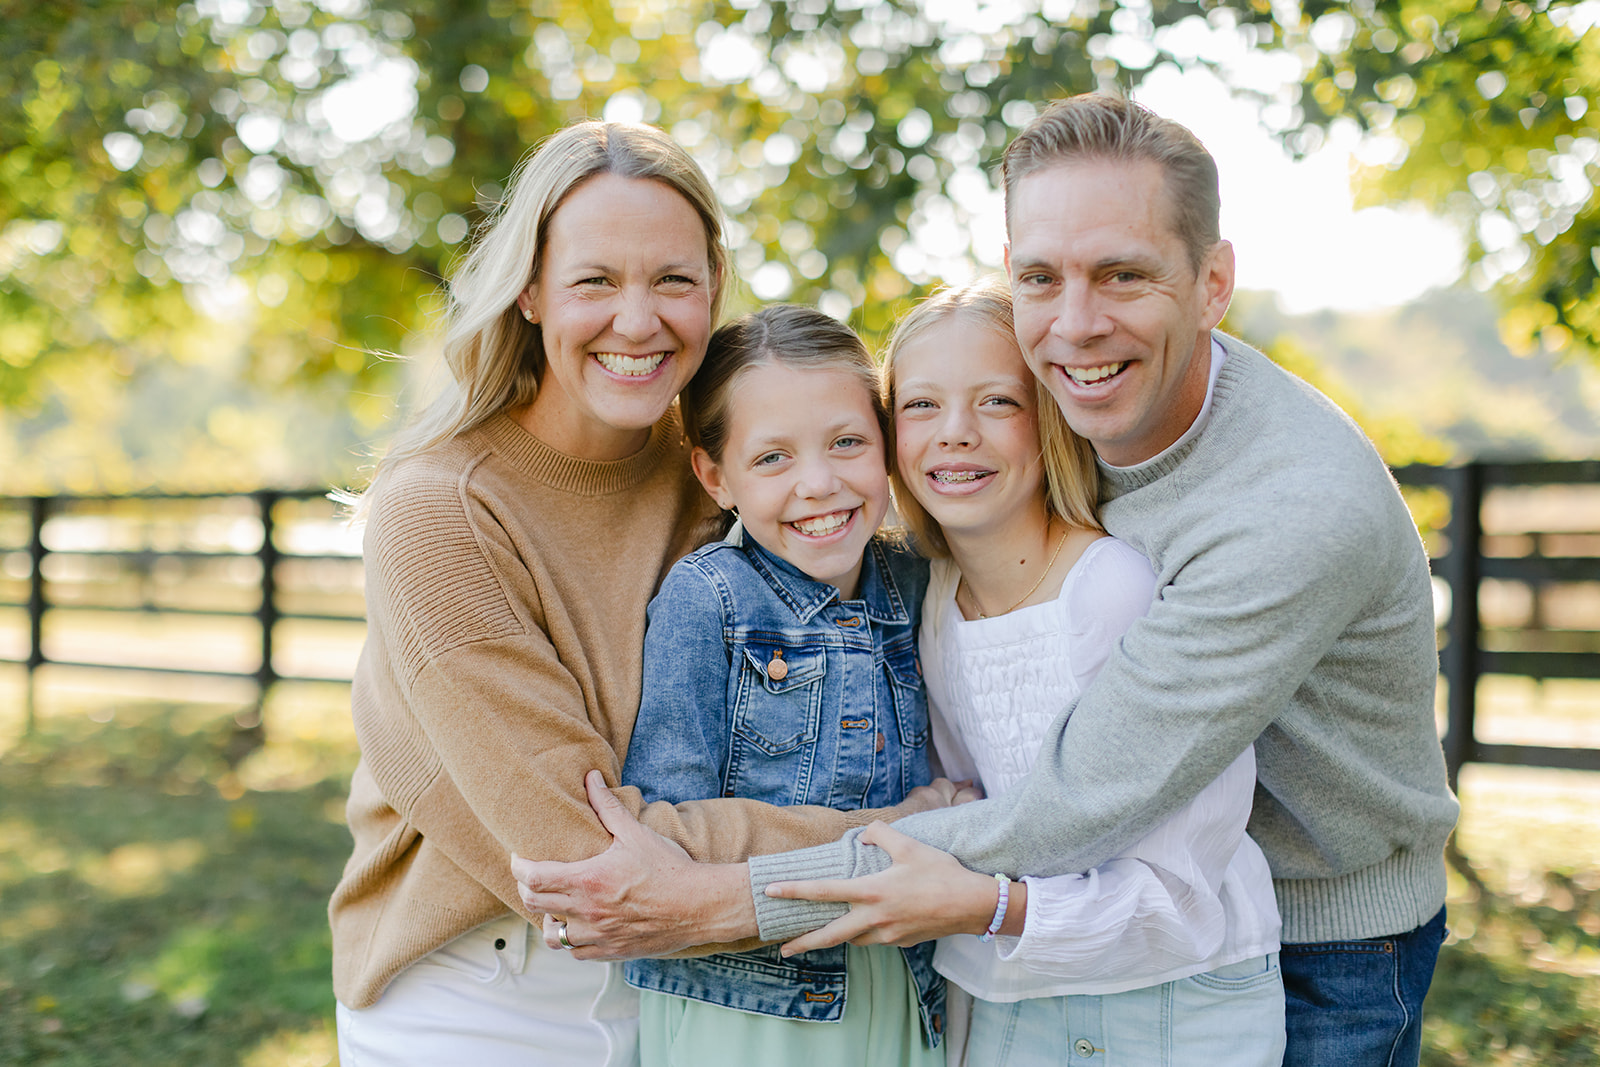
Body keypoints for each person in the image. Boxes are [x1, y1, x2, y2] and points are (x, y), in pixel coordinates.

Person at [513, 95, 1459, 1067]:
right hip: (1036, 949)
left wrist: (728, 900)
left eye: (1123, 274)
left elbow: (1071, 802)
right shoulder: (1016, 477)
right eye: (1040, 278)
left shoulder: (1286, 507)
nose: (1077, 323)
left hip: (1319, 925)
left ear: (1212, 281)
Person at [328, 121, 956, 1067]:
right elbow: (582, 854)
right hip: (490, 994)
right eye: (596, 281)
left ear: (711, 292)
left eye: (672, 280)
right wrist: (909, 839)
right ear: (531, 292)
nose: (638, 319)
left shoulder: (730, 472)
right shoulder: (440, 510)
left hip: (707, 998)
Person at [868, 277, 1281, 1065]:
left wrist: (992, 905)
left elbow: (1185, 889)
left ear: (1048, 419)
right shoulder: (934, 603)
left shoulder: (1112, 591)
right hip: (998, 992)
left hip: (1169, 999)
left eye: (997, 402)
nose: (954, 433)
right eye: (921, 405)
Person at [619, 304, 946, 1067]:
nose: (820, 483)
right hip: (748, 1002)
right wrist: (904, 827)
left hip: (898, 977)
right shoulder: (710, 599)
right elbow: (666, 831)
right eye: (772, 459)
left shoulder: (916, 580)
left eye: (847, 442)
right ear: (715, 475)